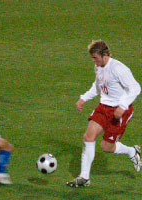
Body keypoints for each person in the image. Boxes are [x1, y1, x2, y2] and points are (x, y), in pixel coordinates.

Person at [66, 40, 141, 187]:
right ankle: (84, 177)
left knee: (106, 147)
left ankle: (132, 151)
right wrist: (83, 98)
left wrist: (123, 105)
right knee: (88, 136)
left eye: (95, 57)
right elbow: (98, 86)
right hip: (104, 107)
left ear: (105, 55)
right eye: (93, 58)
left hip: (119, 111)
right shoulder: (98, 67)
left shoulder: (118, 68)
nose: (93, 61)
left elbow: (136, 87)